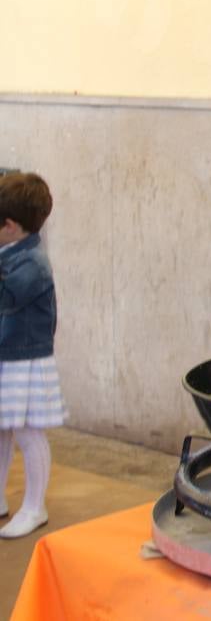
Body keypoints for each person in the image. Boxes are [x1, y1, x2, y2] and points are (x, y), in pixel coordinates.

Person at [0, 171, 66, 539]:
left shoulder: (32, 264)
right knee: (2, 428)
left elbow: (6, 298)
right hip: (6, 354)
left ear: (11, 226)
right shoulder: (10, 250)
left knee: (27, 430)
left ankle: (34, 506)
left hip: (25, 359)